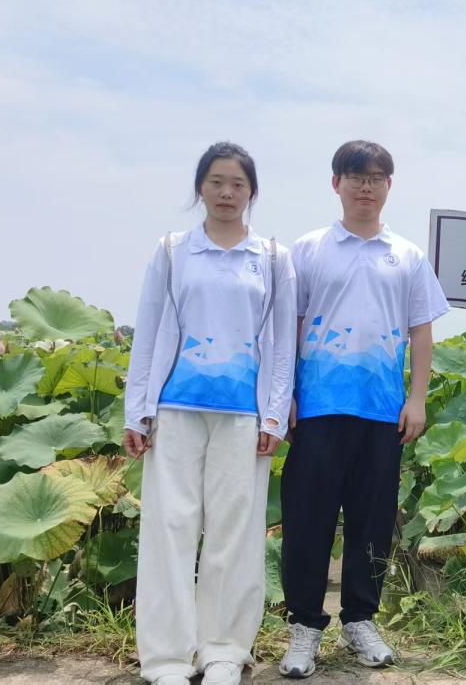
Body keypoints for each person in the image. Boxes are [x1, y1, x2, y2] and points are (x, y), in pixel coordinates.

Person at [124, 142, 297, 685]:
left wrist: (274, 415)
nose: (226, 193)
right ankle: (167, 658)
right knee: (169, 527)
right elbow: (148, 329)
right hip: (174, 407)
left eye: (237, 184)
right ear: (200, 187)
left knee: (235, 531)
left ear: (252, 192)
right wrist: (137, 410)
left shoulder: (273, 257)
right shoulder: (174, 250)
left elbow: (282, 343)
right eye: (216, 182)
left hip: (243, 414)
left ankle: (224, 651)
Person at [278, 140, 450, 678]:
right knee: (307, 518)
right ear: (336, 183)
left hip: (381, 409)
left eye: (376, 177)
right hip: (318, 406)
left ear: (389, 186)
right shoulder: (308, 249)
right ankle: (304, 625)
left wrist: (417, 398)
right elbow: (289, 326)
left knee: (372, 521)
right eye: (355, 177)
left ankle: (359, 620)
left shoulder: (408, 256)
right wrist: (285, 395)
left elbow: (421, 330)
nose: (366, 187)